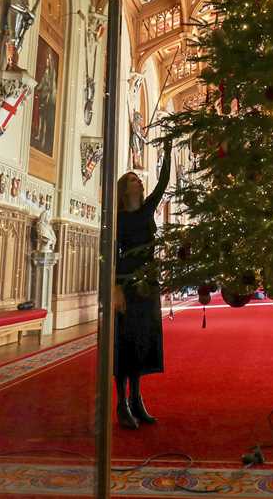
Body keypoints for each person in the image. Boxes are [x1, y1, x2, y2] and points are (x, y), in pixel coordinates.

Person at [113, 134, 174, 429]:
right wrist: (114, 288)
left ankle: (137, 399)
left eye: (139, 179)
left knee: (141, 342)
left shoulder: (148, 209)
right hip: (125, 285)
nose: (138, 182)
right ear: (124, 189)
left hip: (147, 283)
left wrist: (168, 148)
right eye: (133, 180)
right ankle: (121, 403)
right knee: (123, 344)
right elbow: (112, 254)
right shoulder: (118, 218)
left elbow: (163, 183)